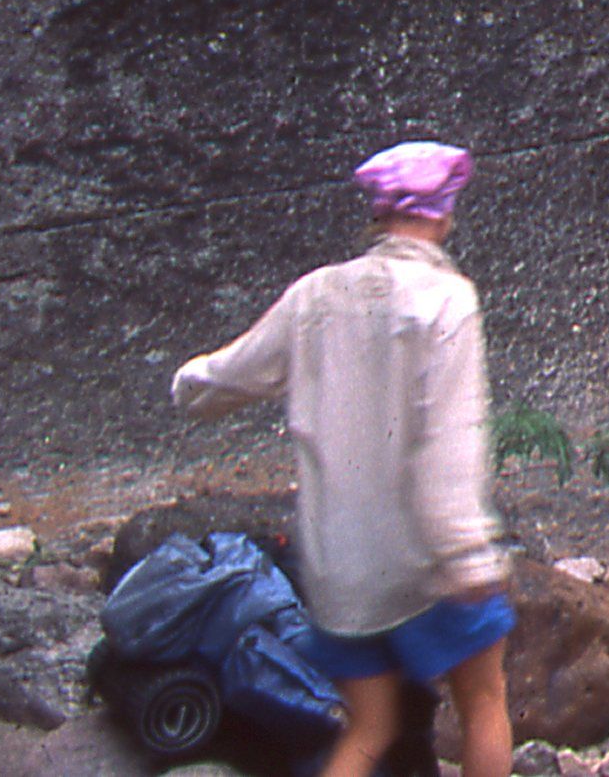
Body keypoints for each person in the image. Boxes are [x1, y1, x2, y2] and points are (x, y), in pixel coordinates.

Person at [173, 142, 514, 777]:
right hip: (427, 563)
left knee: (367, 728)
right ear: (443, 215)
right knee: (484, 705)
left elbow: (226, 376)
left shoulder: (315, 295)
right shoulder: (448, 299)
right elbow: (448, 441)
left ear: (379, 214)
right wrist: (469, 556)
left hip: (341, 570)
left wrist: (187, 384)